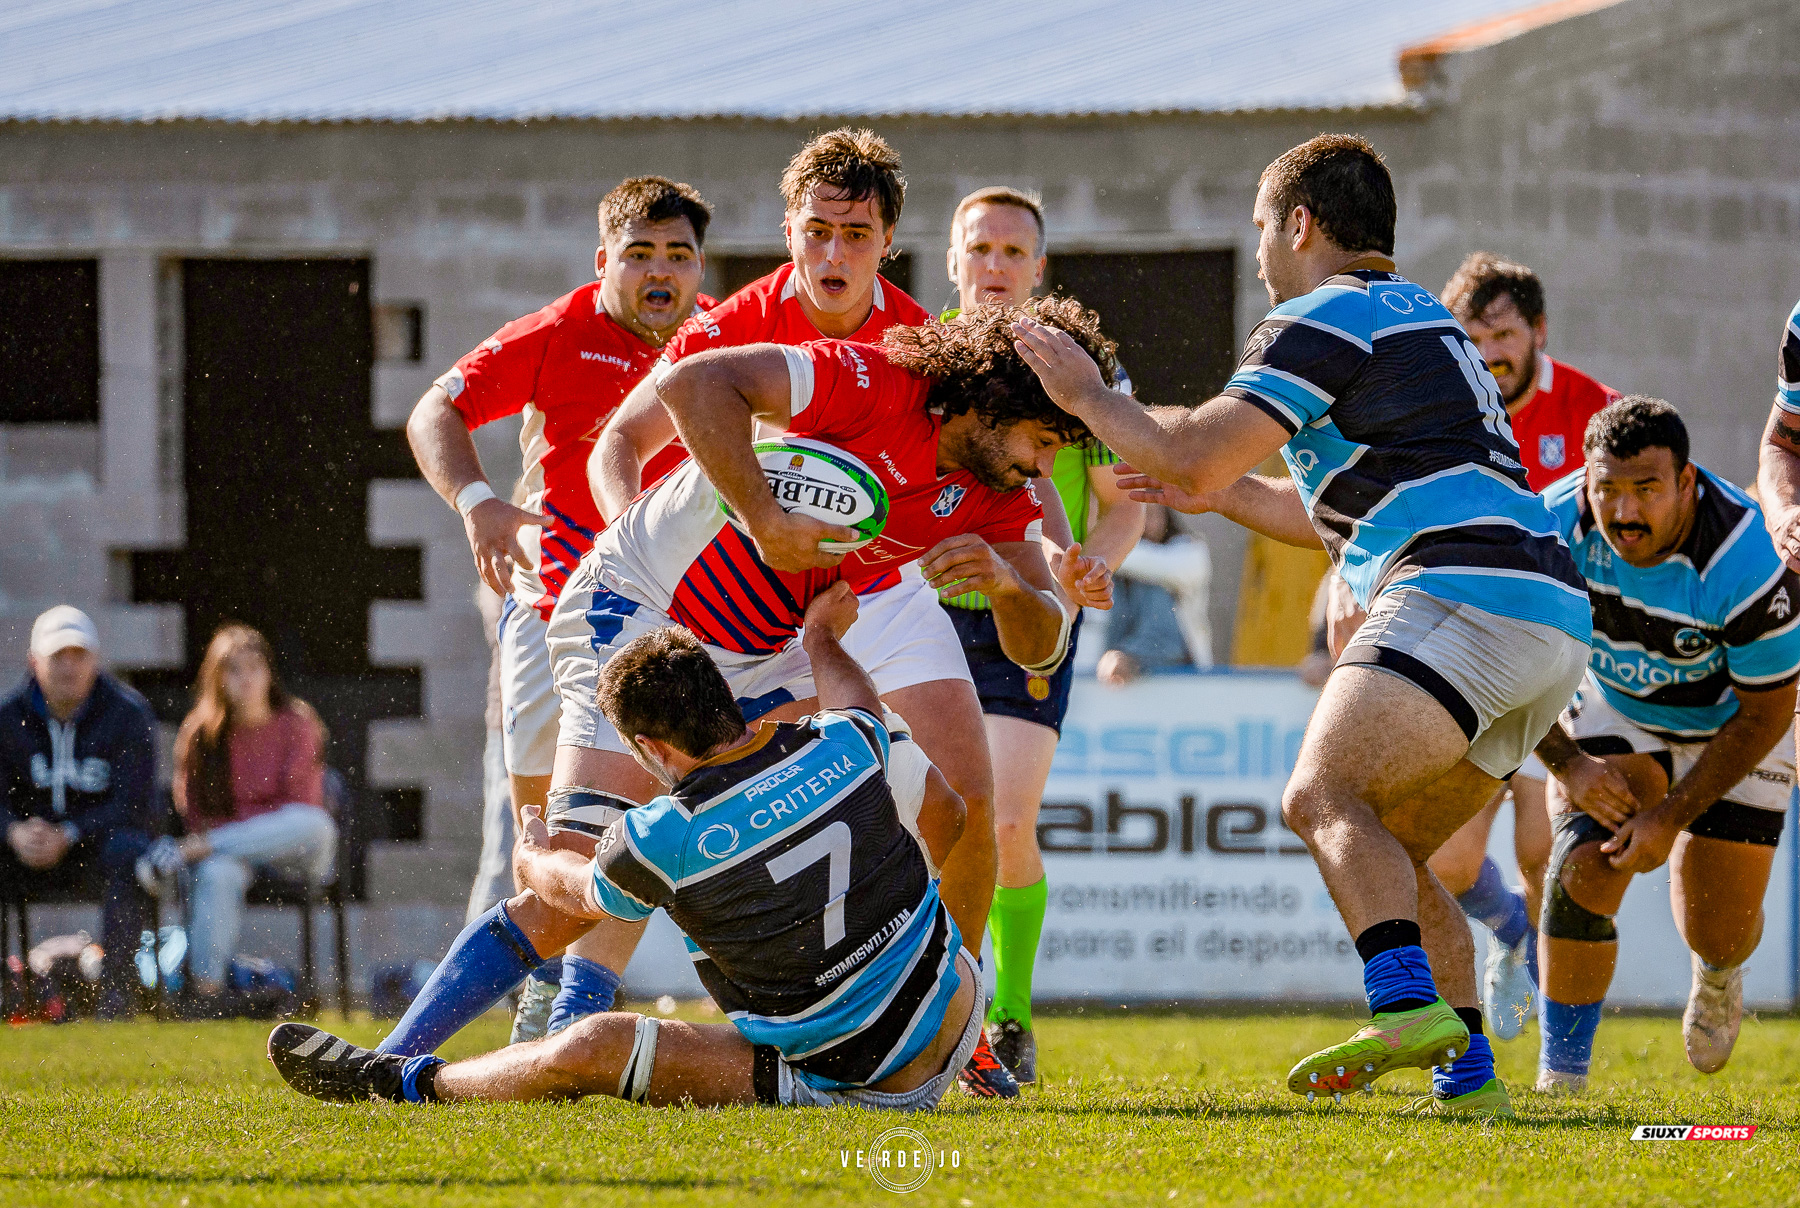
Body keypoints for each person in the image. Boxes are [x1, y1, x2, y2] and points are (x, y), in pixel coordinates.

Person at [373, 299, 1121, 1109]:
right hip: (642, 612)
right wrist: (765, 518)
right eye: (1043, 439)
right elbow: (697, 384)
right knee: (574, 886)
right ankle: (386, 1064)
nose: (1046, 467)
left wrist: (1011, 588)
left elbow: (1041, 649)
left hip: (772, 647)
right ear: (995, 402)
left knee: (949, 804)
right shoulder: (870, 379)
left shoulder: (996, 492)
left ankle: (946, 1016)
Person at [1011, 133, 1594, 1117]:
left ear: (1299, 224)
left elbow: (1187, 454)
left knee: (1320, 793)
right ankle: (1472, 1074)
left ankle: (1405, 1007)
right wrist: (1213, 487)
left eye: (1258, 232)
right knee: (1391, 849)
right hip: (1546, 617)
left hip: (1462, 592)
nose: (1258, 259)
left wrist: (1082, 393)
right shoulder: (1417, 318)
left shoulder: (1321, 313)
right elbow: (1319, 512)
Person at [590, 130, 1073, 1096]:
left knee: (970, 794)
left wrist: (1033, 572)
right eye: (816, 231)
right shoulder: (739, 321)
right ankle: (574, 993)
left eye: (855, 233)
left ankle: (957, 1014)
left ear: (888, 239)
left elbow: (1019, 505)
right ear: (789, 232)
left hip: (872, 584)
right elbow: (622, 444)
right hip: (729, 595)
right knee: (649, 806)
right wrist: (648, 580)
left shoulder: (917, 347)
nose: (833, 254)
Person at [269, 586, 983, 1113]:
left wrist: (530, 855)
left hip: (852, 1079)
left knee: (590, 1049)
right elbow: (856, 699)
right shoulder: (843, 745)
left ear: (651, 748)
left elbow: (572, 890)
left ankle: (402, 1081)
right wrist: (823, 634)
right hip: (956, 1007)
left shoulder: (659, 835)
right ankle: (396, 1066)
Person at [405, 176, 714, 1039]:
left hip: (679, 621)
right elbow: (437, 408)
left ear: (700, 266)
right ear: (602, 260)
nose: (661, 272)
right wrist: (476, 501)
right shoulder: (556, 333)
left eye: (679, 256)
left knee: (656, 816)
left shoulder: (722, 337)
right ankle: (516, 1002)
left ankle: (573, 1000)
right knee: (535, 822)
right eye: (640, 254)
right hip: (554, 614)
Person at [1528, 398, 1799, 1092]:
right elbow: (1506, 663)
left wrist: (1669, 817)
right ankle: (1562, 1087)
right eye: (1607, 489)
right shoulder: (1548, 527)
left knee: (1716, 929)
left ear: (1687, 482)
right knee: (1583, 866)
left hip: (1739, 723)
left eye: (1646, 488)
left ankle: (1717, 973)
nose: (1624, 512)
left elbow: (1768, 711)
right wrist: (1570, 762)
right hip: (1626, 711)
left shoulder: (1747, 556)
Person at [937, 185, 1144, 1083]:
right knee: (930, 825)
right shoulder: (922, 357)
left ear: (1040, 268)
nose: (995, 267)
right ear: (952, 262)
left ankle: (1006, 1015)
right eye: (980, 249)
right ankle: (944, 1022)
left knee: (1007, 820)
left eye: (1014, 252)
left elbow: (1122, 504)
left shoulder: (1089, 370)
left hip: (1031, 623)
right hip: (923, 615)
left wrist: (1090, 566)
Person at [1429, 251, 1624, 1038]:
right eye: (1472, 339)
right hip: (1472, 649)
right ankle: (1509, 931)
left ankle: (1558, 1051)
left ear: (1537, 332)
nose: (1490, 353)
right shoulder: (1440, 407)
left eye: (1503, 335)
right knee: (1446, 863)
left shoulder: (1592, 410)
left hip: (1564, 655)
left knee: (1547, 849)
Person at [164, 624, 336, 1009]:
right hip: (232, 857)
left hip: (295, 851)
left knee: (317, 824)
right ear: (216, 678)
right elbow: (194, 812)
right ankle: (207, 996)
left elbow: (300, 809)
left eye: (254, 667)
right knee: (216, 871)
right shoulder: (200, 733)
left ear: (269, 673)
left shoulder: (298, 723)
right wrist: (219, 841)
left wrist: (214, 841)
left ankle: (212, 850)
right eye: (233, 669)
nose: (246, 679)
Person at [0, 606, 157, 1017]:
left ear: (96, 660)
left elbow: (135, 804)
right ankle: (6, 992)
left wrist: (70, 832)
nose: (68, 667)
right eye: (57, 657)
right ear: (34, 662)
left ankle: (117, 995)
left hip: (96, 850)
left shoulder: (128, 715)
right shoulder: (6, 720)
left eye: (78, 655)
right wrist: (13, 831)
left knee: (132, 852)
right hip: (22, 852)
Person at [1096, 504, 1211, 687]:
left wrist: (1106, 550)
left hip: (1183, 676)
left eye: (1155, 514)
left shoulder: (1189, 551)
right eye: (1142, 515)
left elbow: (1169, 569)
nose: (1150, 523)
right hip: (1110, 682)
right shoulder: (1112, 572)